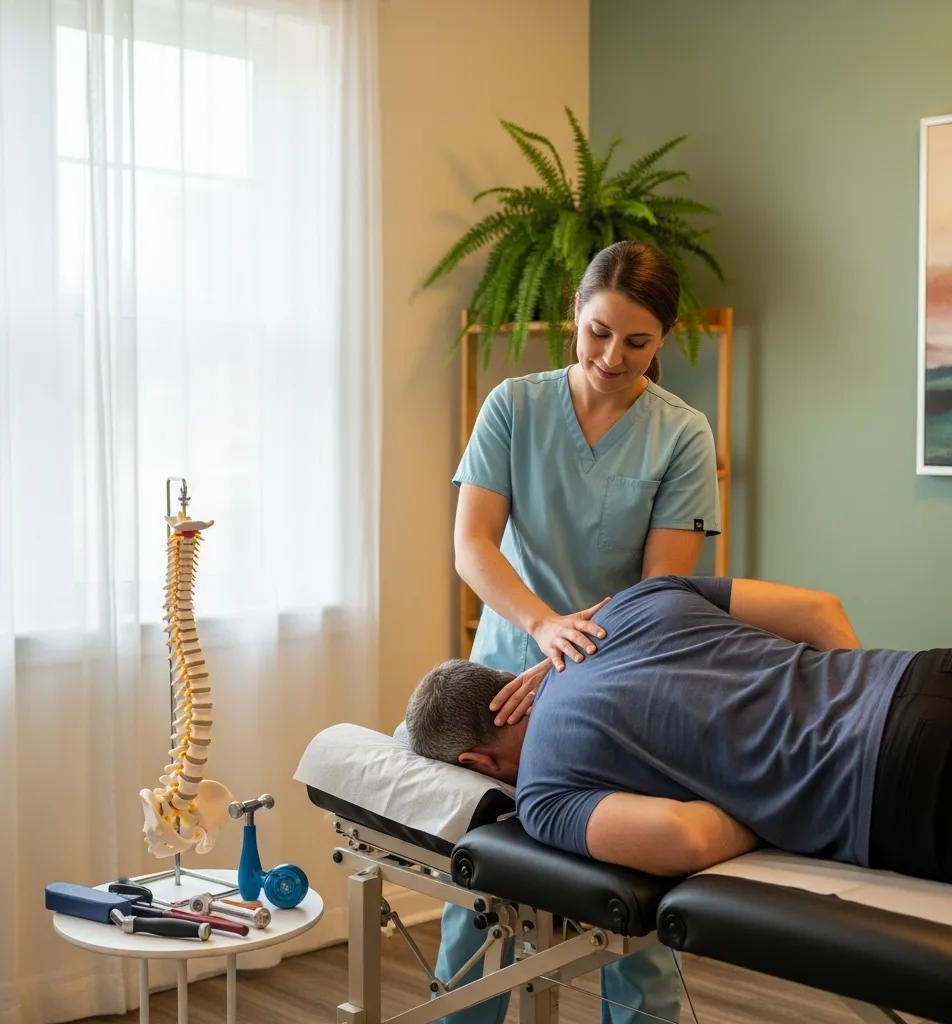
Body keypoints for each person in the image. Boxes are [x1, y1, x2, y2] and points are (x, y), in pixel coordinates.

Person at [438, 241, 721, 1024]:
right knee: (479, 887)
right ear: (574, 315)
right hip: (506, 680)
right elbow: (473, 545)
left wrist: (573, 654)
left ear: (663, 338)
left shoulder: (682, 432)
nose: (612, 356)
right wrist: (541, 626)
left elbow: (661, 589)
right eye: (598, 332)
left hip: (618, 681)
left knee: (633, 914)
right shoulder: (514, 406)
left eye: (637, 342)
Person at [405, 574, 952, 885]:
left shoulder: (544, 798)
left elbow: (683, 836)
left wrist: (768, 801)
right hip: (919, 673)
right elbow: (819, 608)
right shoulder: (627, 602)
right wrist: (863, 704)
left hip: (895, 789)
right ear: (506, 675)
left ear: (476, 762)